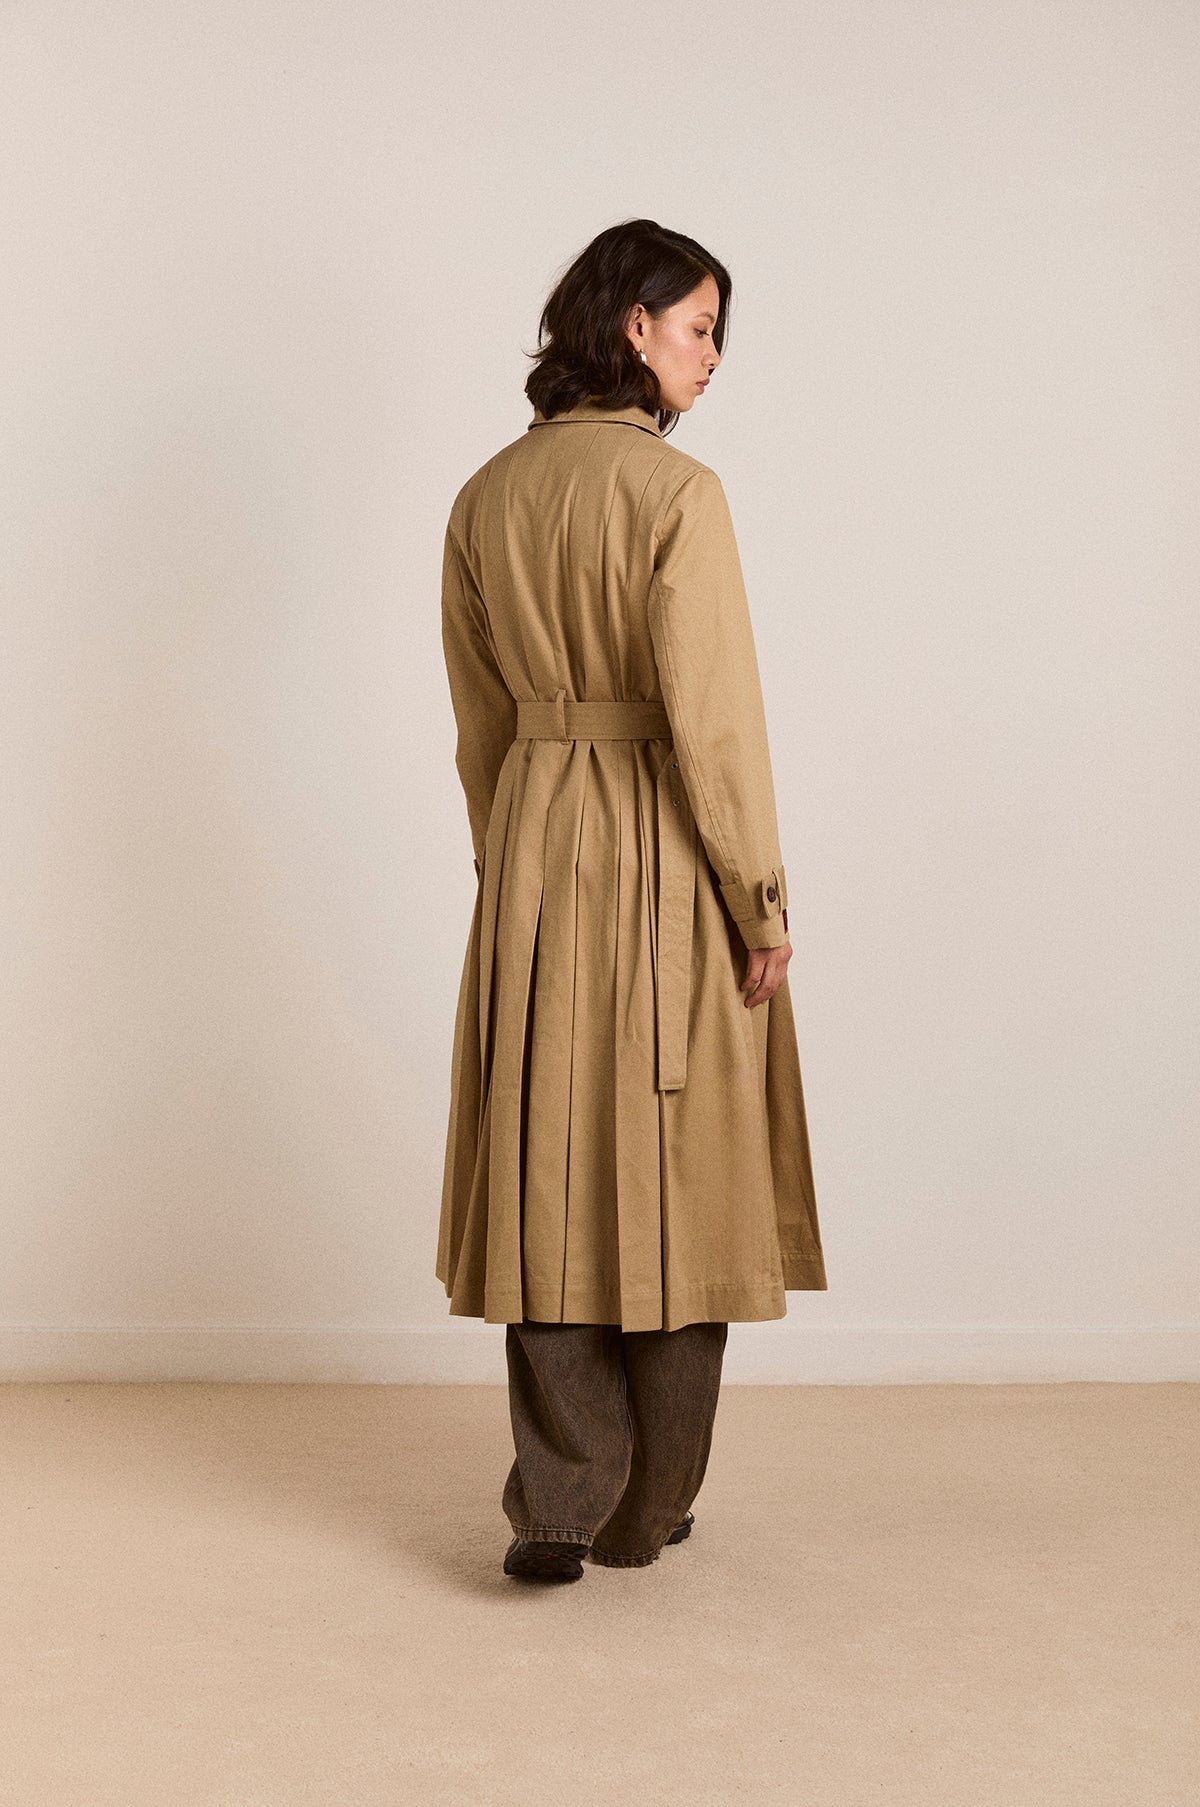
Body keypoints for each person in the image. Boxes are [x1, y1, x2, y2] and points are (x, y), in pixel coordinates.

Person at [437, 218, 827, 1582]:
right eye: (701, 328)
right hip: (665, 851)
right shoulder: (679, 496)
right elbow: (713, 724)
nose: (713, 357)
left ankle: (560, 1496)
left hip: (539, 851)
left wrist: (510, 868)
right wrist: (759, 903)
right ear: (633, 327)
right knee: (680, 1170)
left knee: (547, 1172)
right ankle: (646, 1503)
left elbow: (481, 723)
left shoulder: (485, 497)